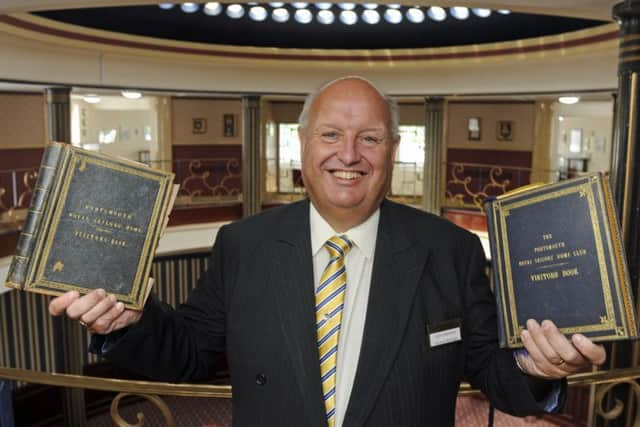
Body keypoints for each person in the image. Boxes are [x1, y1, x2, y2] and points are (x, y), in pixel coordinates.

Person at [49, 76, 606, 427]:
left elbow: (492, 370)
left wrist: (540, 366)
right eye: (330, 135)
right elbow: (189, 353)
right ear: (302, 145)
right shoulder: (244, 244)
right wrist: (129, 320)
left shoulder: (451, 249)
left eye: (370, 137)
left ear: (393, 150)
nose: (350, 154)